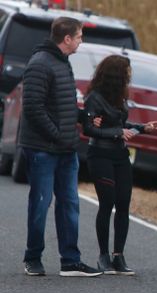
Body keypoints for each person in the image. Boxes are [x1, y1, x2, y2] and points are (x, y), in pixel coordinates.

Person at [20, 17, 102, 277]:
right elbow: (33, 107)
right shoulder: (40, 64)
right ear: (66, 39)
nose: (81, 41)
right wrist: (57, 135)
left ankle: (70, 260)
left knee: (69, 204)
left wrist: (81, 117)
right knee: (40, 204)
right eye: (79, 37)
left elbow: (59, 105)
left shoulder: (62, 63)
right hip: (43, 149)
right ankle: (33, 257)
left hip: (66, 149)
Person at [83, 55, 157, 276]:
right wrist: (117, 132)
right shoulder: (94, 98)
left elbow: (120, 124)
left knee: (124, 203)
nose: (129, 77)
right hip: (100, 155)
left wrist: (142, 127)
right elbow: (88, 129)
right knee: (107, 202)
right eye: (127, 73)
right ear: (117, 74)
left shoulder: (120, 97)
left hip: (120, 155)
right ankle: (103, 255)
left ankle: (119, 255)